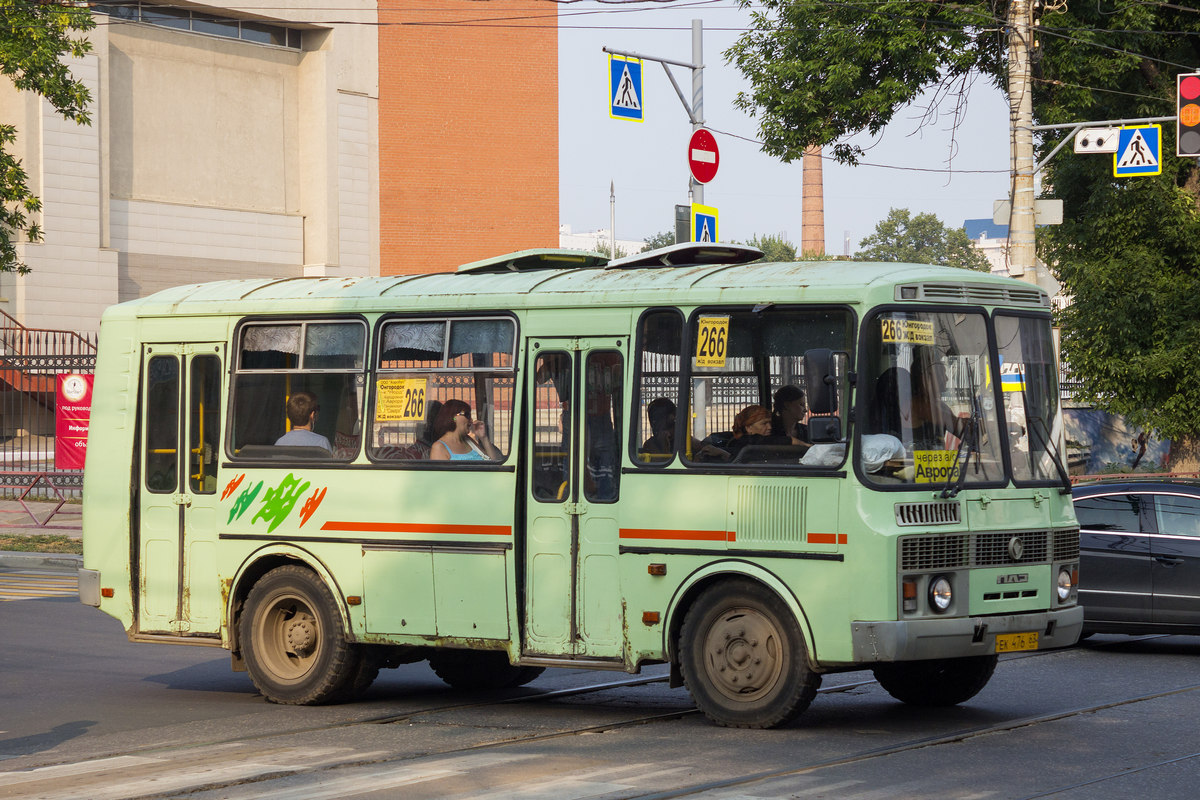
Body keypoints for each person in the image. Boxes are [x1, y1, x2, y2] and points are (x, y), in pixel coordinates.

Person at [429, 398, 501, 461]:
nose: (471, 420)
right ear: (453, 417)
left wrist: (484, 438)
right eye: (467, 415)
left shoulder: (468, 441)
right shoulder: (439, 447)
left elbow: (493, 463)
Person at [727, 404, 805, 459]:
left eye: (770, 423)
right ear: (748, 428)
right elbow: (764, 440)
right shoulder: (741, 442)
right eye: (764, 424)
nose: (769, 427)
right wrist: (803, 444)